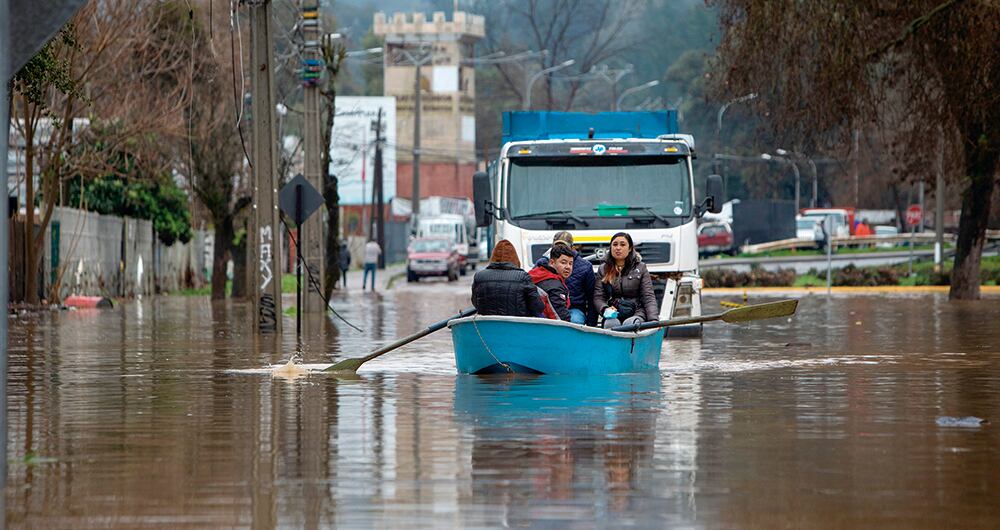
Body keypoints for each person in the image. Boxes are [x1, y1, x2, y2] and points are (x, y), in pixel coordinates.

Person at [593, 232, 658, 329]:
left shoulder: (641, 267)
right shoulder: (603, 269)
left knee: (629, 325)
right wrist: (605, 309)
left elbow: (648, 296)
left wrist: (653, 320)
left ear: (630, 248)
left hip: (637, 313)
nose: (618, 248)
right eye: (615, 244)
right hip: (614, 313)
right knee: (611, 324)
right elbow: (598, 297)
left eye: (622, 245)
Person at [534, 231, 596, 325]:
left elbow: (591, 297)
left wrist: (592, 325)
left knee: (574, 321)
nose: (560, 250)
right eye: (557, 247)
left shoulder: (585, 267)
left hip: (574, 308)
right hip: (547, 306)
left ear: (572, 248)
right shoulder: (542, 263)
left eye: (564, 247)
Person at [471, 240, 545, 317]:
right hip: (517, 326)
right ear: (515, 258)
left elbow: (475, 303)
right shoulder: (523, 277)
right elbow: (538, 307)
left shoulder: (479, 277)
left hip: (487, 327)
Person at [528, 244, 574, 321]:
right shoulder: (555, 286)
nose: (568, 267)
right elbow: (561, 318)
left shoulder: (538, 273)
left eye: (570, 263)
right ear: (552, 263)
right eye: (563, 262)